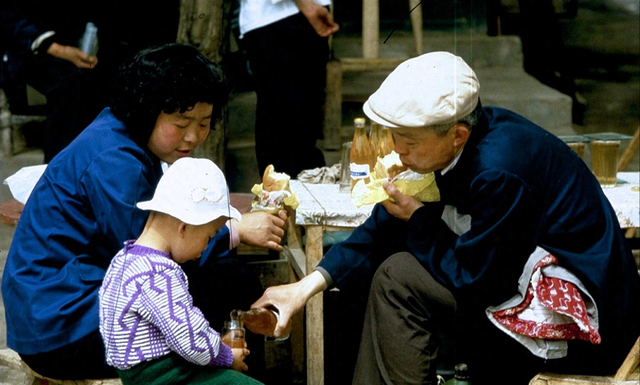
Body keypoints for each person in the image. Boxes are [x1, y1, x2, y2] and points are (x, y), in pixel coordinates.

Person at [251, 51, 640, 384]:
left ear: (456, 134)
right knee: (384, 268)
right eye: (395, 136)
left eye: (409, 141)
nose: (398, 151)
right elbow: (385, 223)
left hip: (579, 313)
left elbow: (478, 279)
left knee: (399, 277)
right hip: (509, 273)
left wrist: (419, 219)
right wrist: (303, 289)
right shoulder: (452, 144)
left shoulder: (498, 168)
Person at [2, 43, 287, 380]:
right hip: (63, 329)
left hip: (55, 313)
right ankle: (233, 368)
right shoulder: (118, 162)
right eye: (181, 124)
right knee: (227, 285)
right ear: (146, 110)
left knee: (223, 279)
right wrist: (234, 230)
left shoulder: (118, 133)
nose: (194, 136)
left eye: (204, 123)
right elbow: (155, 255)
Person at [99, 157, 262, 384]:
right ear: (184, 228)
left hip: (136, 374)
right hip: (165, 375)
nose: (206, 246)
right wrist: (226, 356)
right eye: (209, 236)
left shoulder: (123, 259)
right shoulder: (159, 273)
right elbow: (191, 338)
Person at [0, 0, 180, 162]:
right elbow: (10, 21)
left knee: (115, 77)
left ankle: (103, 164)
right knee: (70, 84)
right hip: (29, 49)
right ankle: (57, 170)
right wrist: (61, 51)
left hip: (81, 48)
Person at [238, 0, 339, 178]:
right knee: (286, 139)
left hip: (294, 15)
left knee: (301, 135)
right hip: (282, 17)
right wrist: (306, 4)